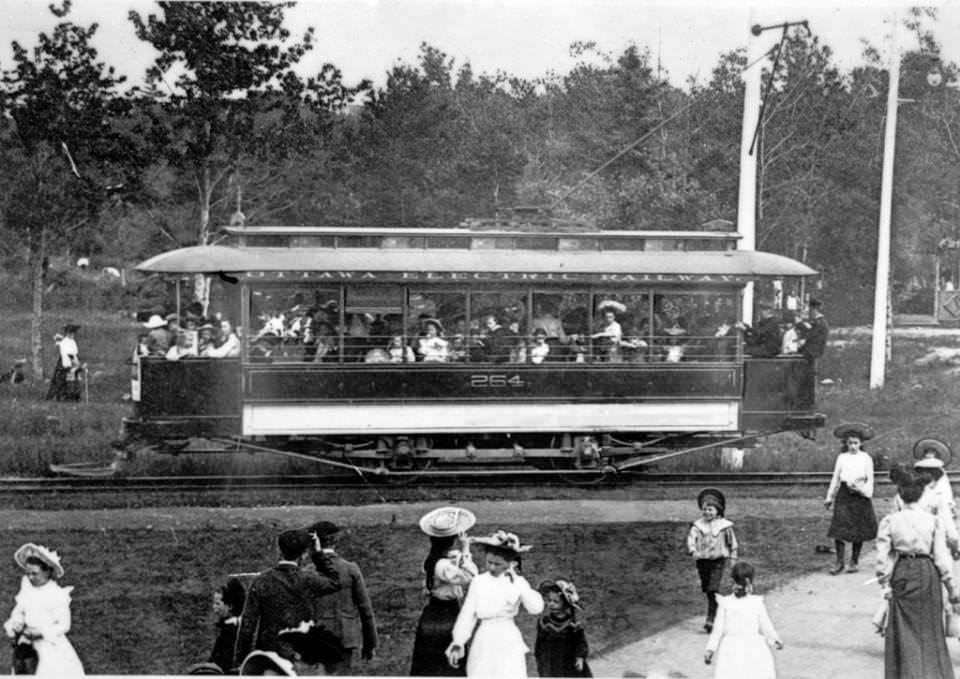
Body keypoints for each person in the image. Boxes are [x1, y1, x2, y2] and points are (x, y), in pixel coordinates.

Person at [876, 471, 960, 679]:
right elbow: (941, 559)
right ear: (922, 495)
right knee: (930, 628)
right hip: (927, 572)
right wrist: (952, 589)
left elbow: (882, 559)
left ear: (900, 495)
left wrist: (885, 585)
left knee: (903, 628)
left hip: (903, 571)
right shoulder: (932, 521)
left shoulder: (890, 521)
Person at [233, 528, 341, 666]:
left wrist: (240, 662)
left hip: (270, 656)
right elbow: (335, 582)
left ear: (280, 551)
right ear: (303, 555)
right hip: (302, 655)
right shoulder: (308, 580)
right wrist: (318, 554)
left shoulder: (261, 581)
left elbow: (247, 626)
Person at [445, 530, 544, 678]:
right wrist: (459, 640)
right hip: (484, 638)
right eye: (489, 562)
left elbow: (536, 608)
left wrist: (518, 582)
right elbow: (468, 613)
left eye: (497, 564)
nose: (491, 567)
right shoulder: (479, 582)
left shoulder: (517, 583)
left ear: (511, 564)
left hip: (507, 637)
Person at [410, 506, 478, 676]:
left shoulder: (434, 560)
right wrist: (466, 550)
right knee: (448, 660)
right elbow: (470, 575)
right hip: (446, 613)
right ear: (452, 540)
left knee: (429, 662)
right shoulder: (444, 566)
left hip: (432, 612)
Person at [3, 543, 84, 677]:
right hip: (28, 646)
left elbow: (64, 625)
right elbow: (19, 611)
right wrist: (14, 624)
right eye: (27, 573)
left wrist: (40, 632)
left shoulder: (56, 594)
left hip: (50, 646)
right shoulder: (27, 590)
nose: (30, 577)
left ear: (47, 572)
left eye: (35, 574)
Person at [307, 521, 378, 675]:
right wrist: (370, 643)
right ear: (335, 541)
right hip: (345, 636)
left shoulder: (308, 572)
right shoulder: (350, 568)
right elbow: (365, 609)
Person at [704, 561, 783, 679]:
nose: (738, 588)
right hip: (731, 649)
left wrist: (774, 638)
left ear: (749, 585)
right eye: (735, 583)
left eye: (741, 585)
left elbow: (765, 624)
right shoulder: (726, 603)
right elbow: (718, 629)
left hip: (753, 647)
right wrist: (711, 649)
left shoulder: (756, 603)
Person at [824, 423, 878, 574]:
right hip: (844, 494)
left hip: (860, 496)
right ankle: (839, 562)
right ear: (845, 443)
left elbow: (870, 480)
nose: (853, 446)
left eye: (855, 443)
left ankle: (854, 561)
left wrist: (861, 490)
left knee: (857, 529)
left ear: (861, 443)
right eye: (850, 443)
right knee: (838, 528)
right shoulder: (842, 458)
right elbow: (835, 478)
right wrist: (829, 497)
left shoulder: (866, 458)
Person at [687, 488, 739, 633]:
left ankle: (711, 619)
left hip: (718, 561)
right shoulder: (698, 526)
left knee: (713, 588)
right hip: (702, 562)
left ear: (718, 511)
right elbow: (691, 539)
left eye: (710, 509)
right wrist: (693, 550)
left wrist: (733, 559)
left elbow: (733, 544)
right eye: (704, 509)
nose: (707, 512)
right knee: (707, 589)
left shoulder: (725, 526)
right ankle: (719, 612)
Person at [534, 579, 592, 677]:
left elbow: (581, 643)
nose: (551, 604)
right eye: (548, 600)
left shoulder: (573, 624)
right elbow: (539, 645)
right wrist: (540, 660)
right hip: (550, 664)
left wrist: (580, 657)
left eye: (555, 601)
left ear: (566, 604)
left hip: (569, 664)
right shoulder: (544, 623)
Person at [208, 577, 246, 674]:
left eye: (217, 604)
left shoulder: (229, 631)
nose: (214, 607)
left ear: (230, 606)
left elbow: (221, 665)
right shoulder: (239, 625)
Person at [798, 297, 828, 363]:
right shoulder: (818, 321)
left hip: (813, 353)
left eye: (810, 310)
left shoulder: (820, 322)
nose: (809, 313)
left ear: (814, 310)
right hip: (813, 351)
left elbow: (810, 336)